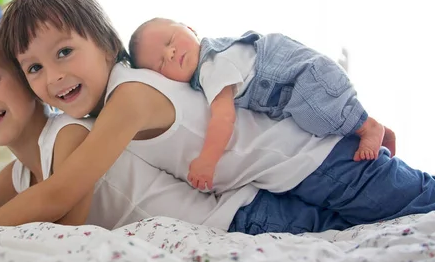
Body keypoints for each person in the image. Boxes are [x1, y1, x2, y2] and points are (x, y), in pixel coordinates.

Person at [0, 0, 435, 235]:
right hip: (273, 182)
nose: (53, 77)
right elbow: (28, 174)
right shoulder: (104, 105)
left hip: (312, 157)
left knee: (415, 202)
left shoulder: (129, 97)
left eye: (64, 53)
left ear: (105, 44)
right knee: (360, 228)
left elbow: (63, 191)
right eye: (34, 68)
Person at [0, 23, 253, 233]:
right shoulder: (19, 174)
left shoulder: (69, 134)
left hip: (224, 222)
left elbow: (64, 223)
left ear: (28, 78)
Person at [128, 18, 396, 189]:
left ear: (190, 28)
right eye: (161, 63)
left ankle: (369, 127)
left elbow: (223, 118)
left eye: (170, 40)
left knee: (319, 116)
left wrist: (207, 161)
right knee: (322, 121)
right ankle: (374, 128)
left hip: (303, 77)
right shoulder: (210, 66)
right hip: (298, 77)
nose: (170, 52)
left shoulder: (213, 66)